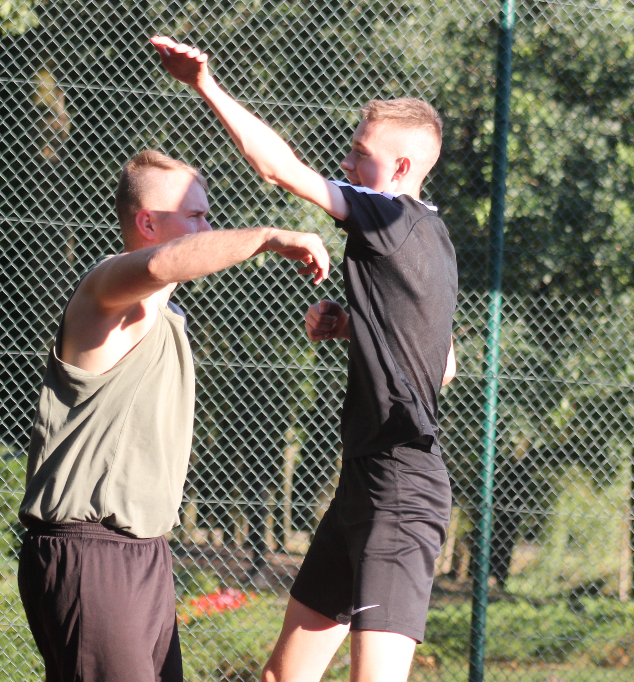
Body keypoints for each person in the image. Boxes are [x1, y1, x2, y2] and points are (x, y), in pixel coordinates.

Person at [150, 37, 459, 682]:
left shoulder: (389, 217)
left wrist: (205, 85)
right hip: (364, 484)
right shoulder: (432, 237)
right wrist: (357, 329)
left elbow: (280, 170)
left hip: (402, 494)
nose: (346, 161)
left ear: (401, 169)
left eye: (359, 154)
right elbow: (444, 364)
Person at [17, 149, 330, 682]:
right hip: (90, 550)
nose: (208, 227)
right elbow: (164, 262)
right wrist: (269, 237)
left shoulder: (168, 314)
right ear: (147, 222)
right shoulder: (105, 293)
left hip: (145, 556)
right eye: (195, 216)